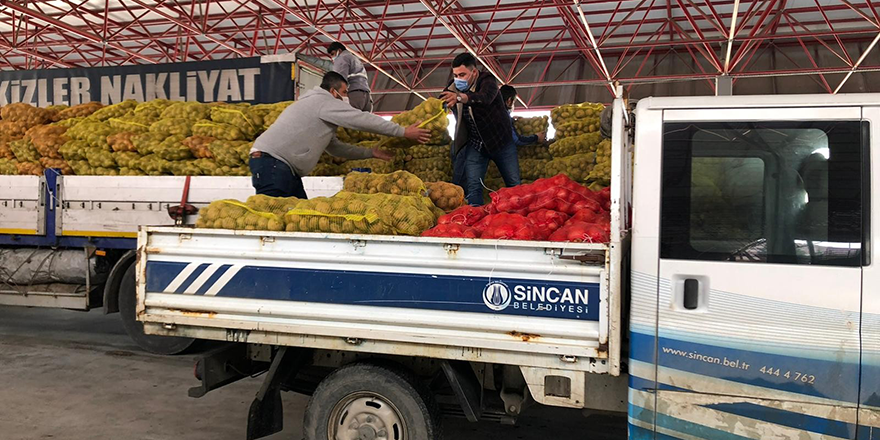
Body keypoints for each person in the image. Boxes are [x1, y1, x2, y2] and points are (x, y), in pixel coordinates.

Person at [249, 71, 430, 198]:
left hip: (281, 167)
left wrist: (371, 153)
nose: (346, 98)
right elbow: (360, 119)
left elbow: (335, 148)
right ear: (333, 91)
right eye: (344, 93)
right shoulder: (323, 101)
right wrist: (403, 131)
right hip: (272, 163)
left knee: (298, 215)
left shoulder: (319, 107)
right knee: (277, 219)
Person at [439, 53, 517, 206]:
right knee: (473, 188)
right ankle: (474, 219)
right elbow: (440, 101)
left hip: (501, 143)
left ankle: (521, 220)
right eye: (455, 75)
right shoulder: (452, 87)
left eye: (462, 74)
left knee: (514, 185)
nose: (458, 79)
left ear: (474, 72)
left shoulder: (487, 81)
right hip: (477, 144)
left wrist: (461, 98)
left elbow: (485, 98)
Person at [328, 42, 373, 112]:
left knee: (348, 120)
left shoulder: (342, 58)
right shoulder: (355, 59)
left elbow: (338, 79)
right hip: (367, 97)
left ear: (339, 51)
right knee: (365, 122)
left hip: (354, 95)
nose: (332, 58)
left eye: (332, 54)